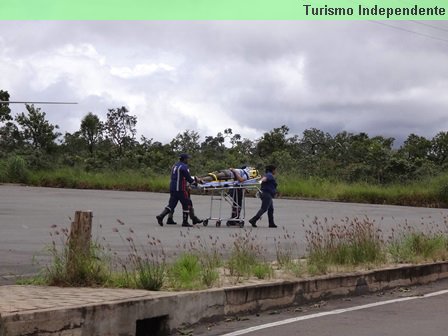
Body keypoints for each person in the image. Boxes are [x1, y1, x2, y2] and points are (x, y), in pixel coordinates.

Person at [156, 153, 201, 227]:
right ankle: (185, 222)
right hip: (180, 189)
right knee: (186, 203)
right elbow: (188, 178)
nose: (188, 160)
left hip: (172, 188)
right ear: (184, 159)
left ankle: (161, 216)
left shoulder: (175, 165)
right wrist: (196, 184)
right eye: (187, 159)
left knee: (171, 205)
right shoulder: (184, 167)